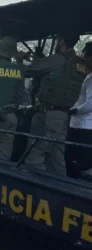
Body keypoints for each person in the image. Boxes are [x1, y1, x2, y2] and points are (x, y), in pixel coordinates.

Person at [18, 34, 86, 176]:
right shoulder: (80, 63)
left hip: (46, 114)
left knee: (35, 153)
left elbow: (29, 71)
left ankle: (35, 187)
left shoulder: (57, 59)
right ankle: (61, 190)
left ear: (61, 41)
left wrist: (19, 60)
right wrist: (40, 60)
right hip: (63, 116)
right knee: (56, 157)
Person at [65, 41, 92, 178]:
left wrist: (73, 111)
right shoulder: (88, 76)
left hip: (83, 126)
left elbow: (90, 103)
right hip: (84, 126)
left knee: (75, 162)